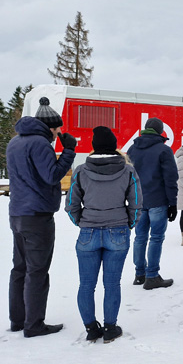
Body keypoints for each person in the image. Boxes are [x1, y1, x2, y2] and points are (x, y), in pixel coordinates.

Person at [6, 97, 76, 337]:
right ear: (50, 127)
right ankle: (34, 324)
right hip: (37, 215)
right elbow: (52, 175)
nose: (59, 133)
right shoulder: (40, 143)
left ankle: (18, 319)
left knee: (20, 268)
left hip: (18, 212)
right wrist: (68, 152)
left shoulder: (15, 142)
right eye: (58, 129)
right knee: (37, 270)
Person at [65, 126, 141, 343]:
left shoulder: (80, 170)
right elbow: (136, 204)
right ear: (114, 147)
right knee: (112, 283)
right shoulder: (128, 171)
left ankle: (91, 328)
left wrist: (82, 222)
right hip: (117, 231)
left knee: (86, 284)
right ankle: (110, 328)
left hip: (88, 232)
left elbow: (71, 203)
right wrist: (128, 224)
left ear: (94, 147)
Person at [127, 117, 178, 290]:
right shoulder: (163, 150)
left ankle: (139, 273)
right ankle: (152, 275)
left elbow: (128, 176)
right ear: (160, 131)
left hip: (138, 201)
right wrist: (173, 203)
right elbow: (170, 178)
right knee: (156, 238)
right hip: (158, 200)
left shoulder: (132, 149)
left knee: (140, 238)